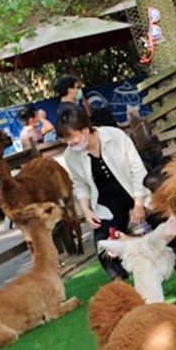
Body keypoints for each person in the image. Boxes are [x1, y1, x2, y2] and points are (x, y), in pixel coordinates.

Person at [100, 168, 176, 309]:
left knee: (172, 252)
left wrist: (126, 241)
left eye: (151, 193)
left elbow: (162, 239)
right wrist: (126, 240)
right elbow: (155, 237)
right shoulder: (172, 212)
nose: (150, 198)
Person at [58, 105, 150, 282]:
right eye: (65, 140)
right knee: (102, 243)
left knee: (159, 220)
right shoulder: (70, 155)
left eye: (72, 138)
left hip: (135, 190)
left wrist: (139, 204)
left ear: (85, 130)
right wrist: (86, 210)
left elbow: (137, 170)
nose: (70, 144)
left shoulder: (114, 136)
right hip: (107, 201)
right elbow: (80, 184)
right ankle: (119, 283)